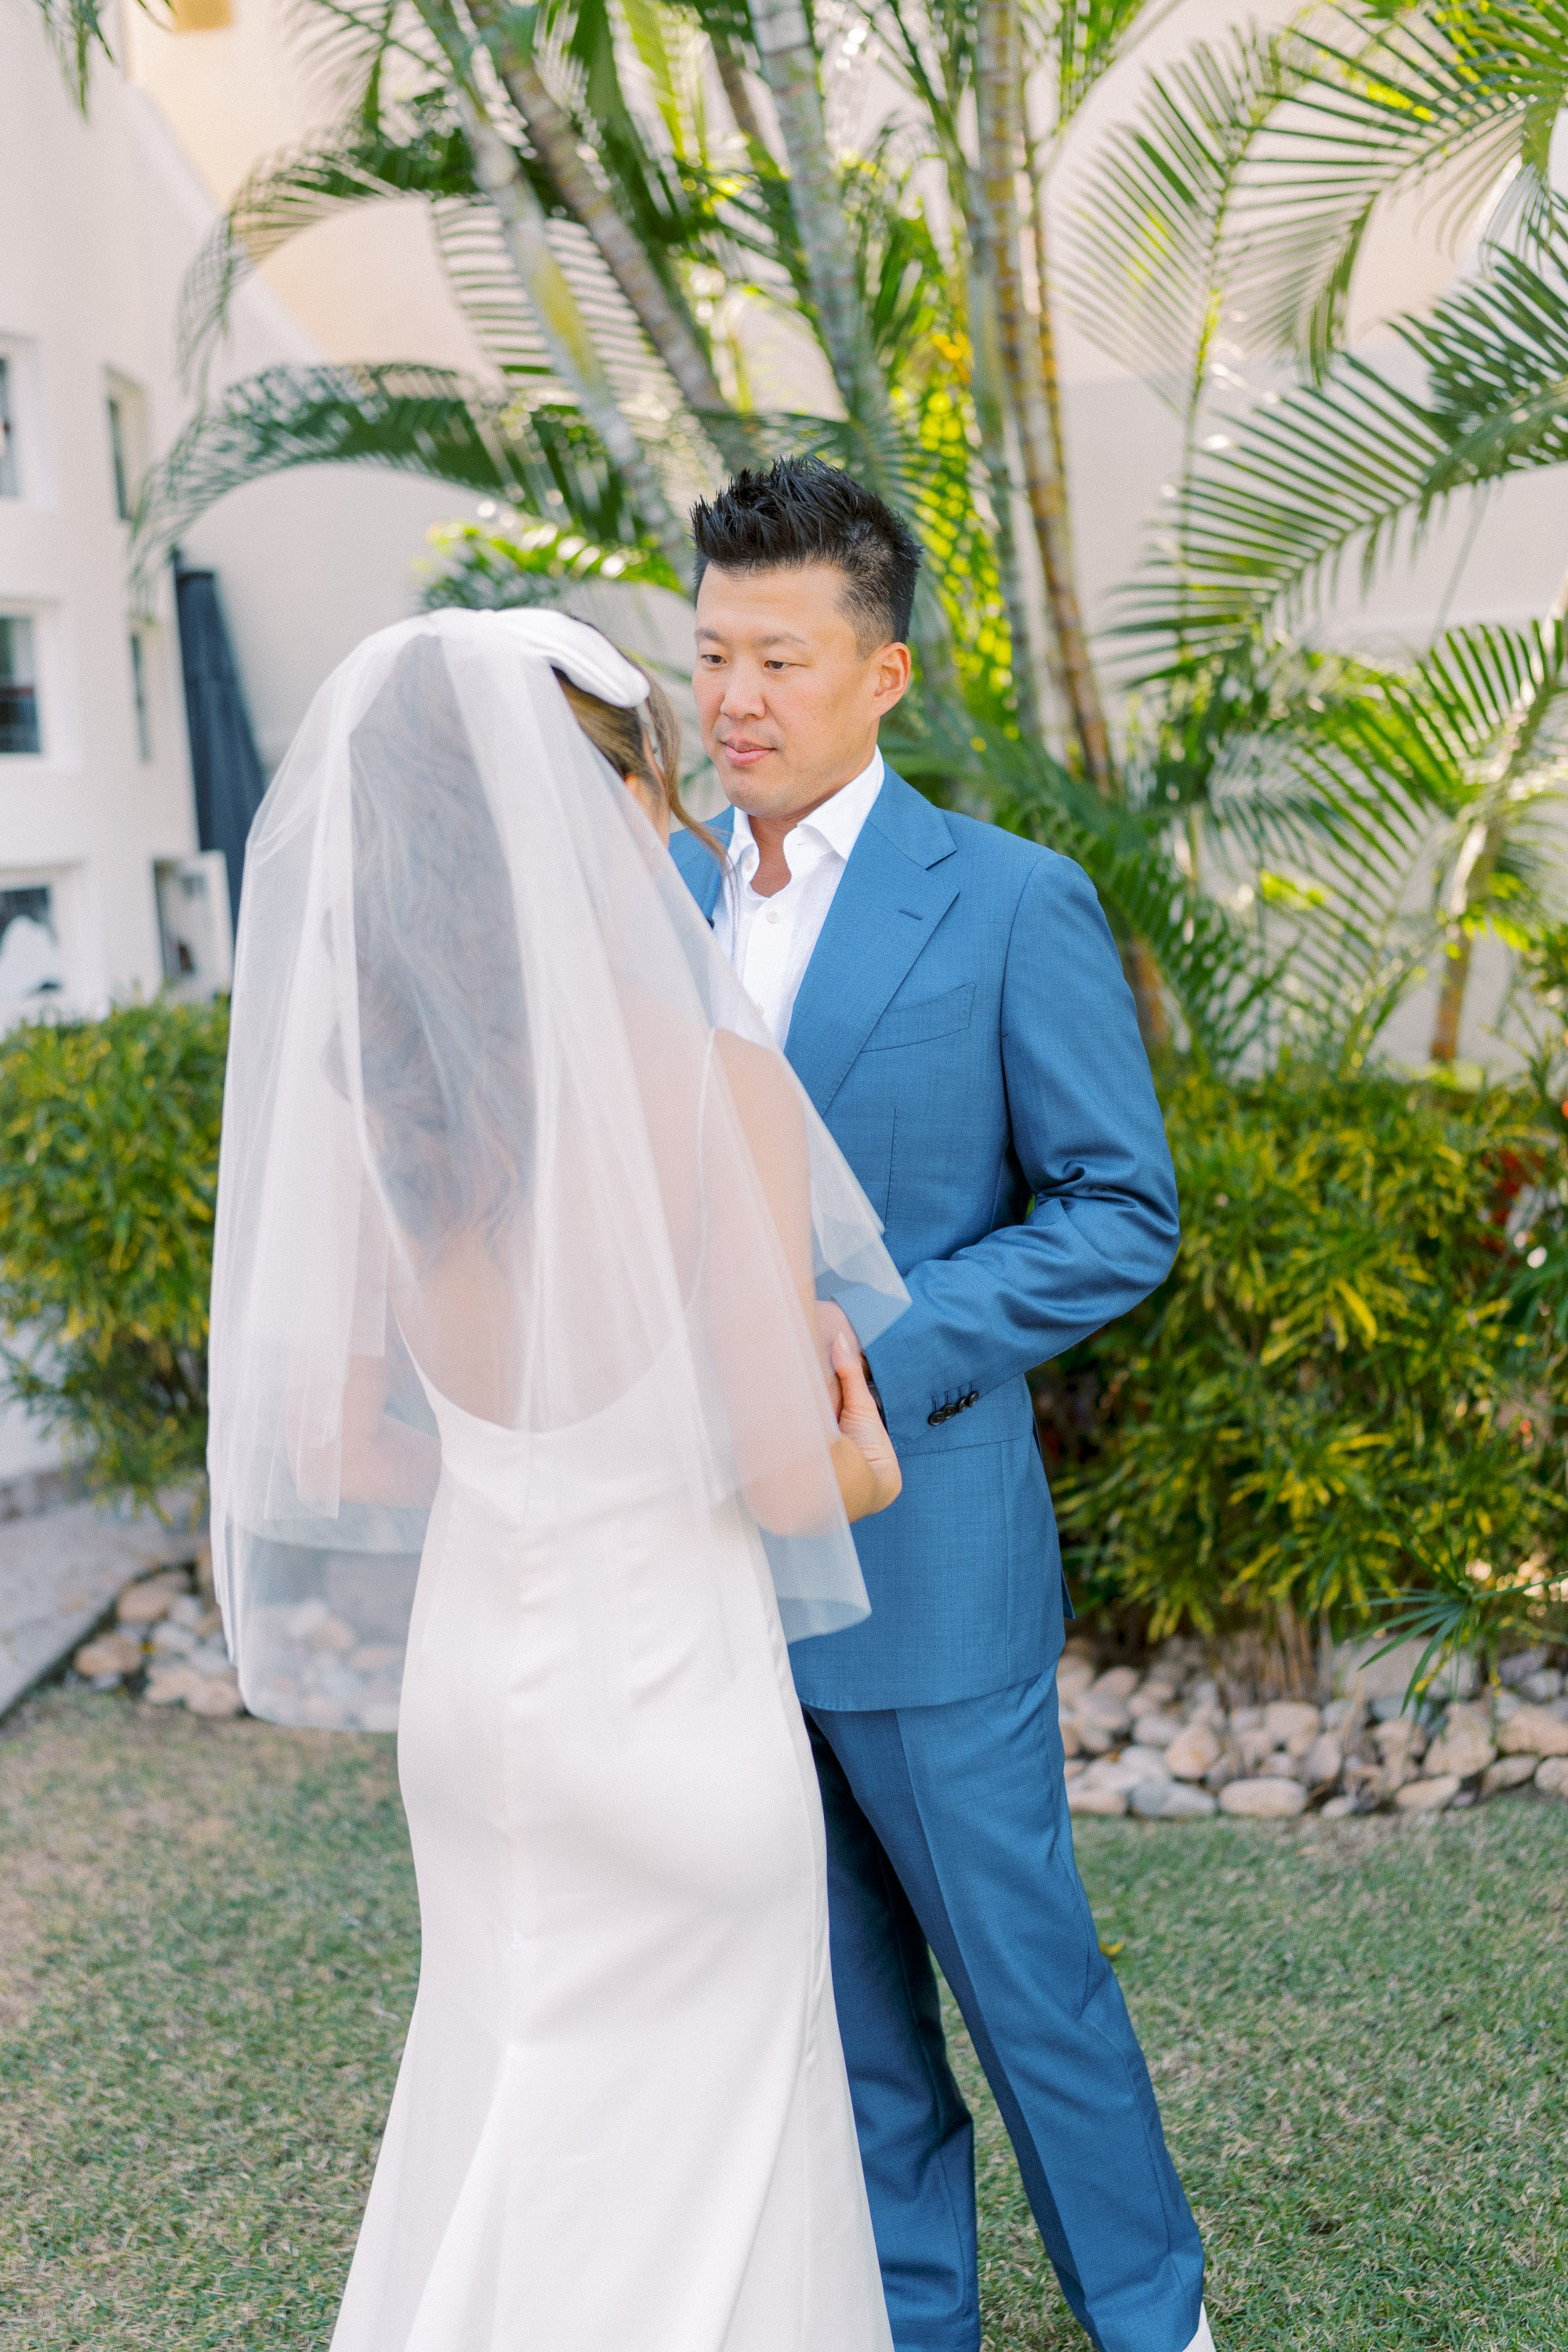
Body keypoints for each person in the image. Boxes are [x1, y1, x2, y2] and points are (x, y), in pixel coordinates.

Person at [206, 607, 912, 2352]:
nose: (673, 830)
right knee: (719, 2159)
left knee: (504, 2103)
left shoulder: (394, 1113)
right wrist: (866, 1437)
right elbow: (788, 1481)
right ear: (568, 810)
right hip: (670, 1716)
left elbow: (333, 1443)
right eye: (650, 790)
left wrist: (528, 1465)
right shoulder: (712, 1089)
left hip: (478, 1717)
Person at [670, 457, 1211, 2352]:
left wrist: (857, 1346)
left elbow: (1117, 1213)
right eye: (714, 653)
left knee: (1025, 1984)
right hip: (699, 1580)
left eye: (781, 658)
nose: (736, 696)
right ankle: (915, 2322)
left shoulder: (1006, 901)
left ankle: (1158, 2318)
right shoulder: (641, 900)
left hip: (923, 1555)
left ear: (880, 675)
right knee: (828, 2015)